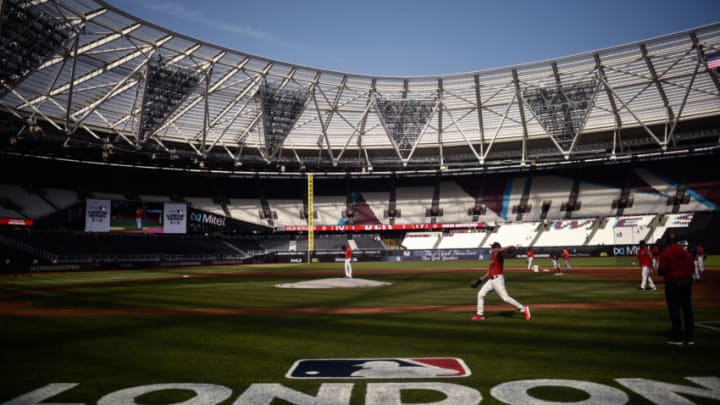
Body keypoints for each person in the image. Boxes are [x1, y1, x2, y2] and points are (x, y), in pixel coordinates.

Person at [472, 242, 531, 321]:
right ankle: (480, 315)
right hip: (491, 280)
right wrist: (480, 280)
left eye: (492, 248)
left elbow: (500, 250)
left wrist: (511, 245)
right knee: (480, 294)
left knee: (505, 298)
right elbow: (489, 272)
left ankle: (523, 309)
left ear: (495, 249)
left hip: (498, 280)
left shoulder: (499, 254)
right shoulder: (493, 256)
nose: (490, 249)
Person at [657, 233, 695, 345]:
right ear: (677, 241)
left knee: (674, 309)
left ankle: (677, 337)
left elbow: (661, 270)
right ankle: (690, 337)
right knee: (687, 310)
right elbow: (692, 268)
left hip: (673, 283)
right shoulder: (686, 253)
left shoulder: (666, 253)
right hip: (687, 282)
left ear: (668, 241)